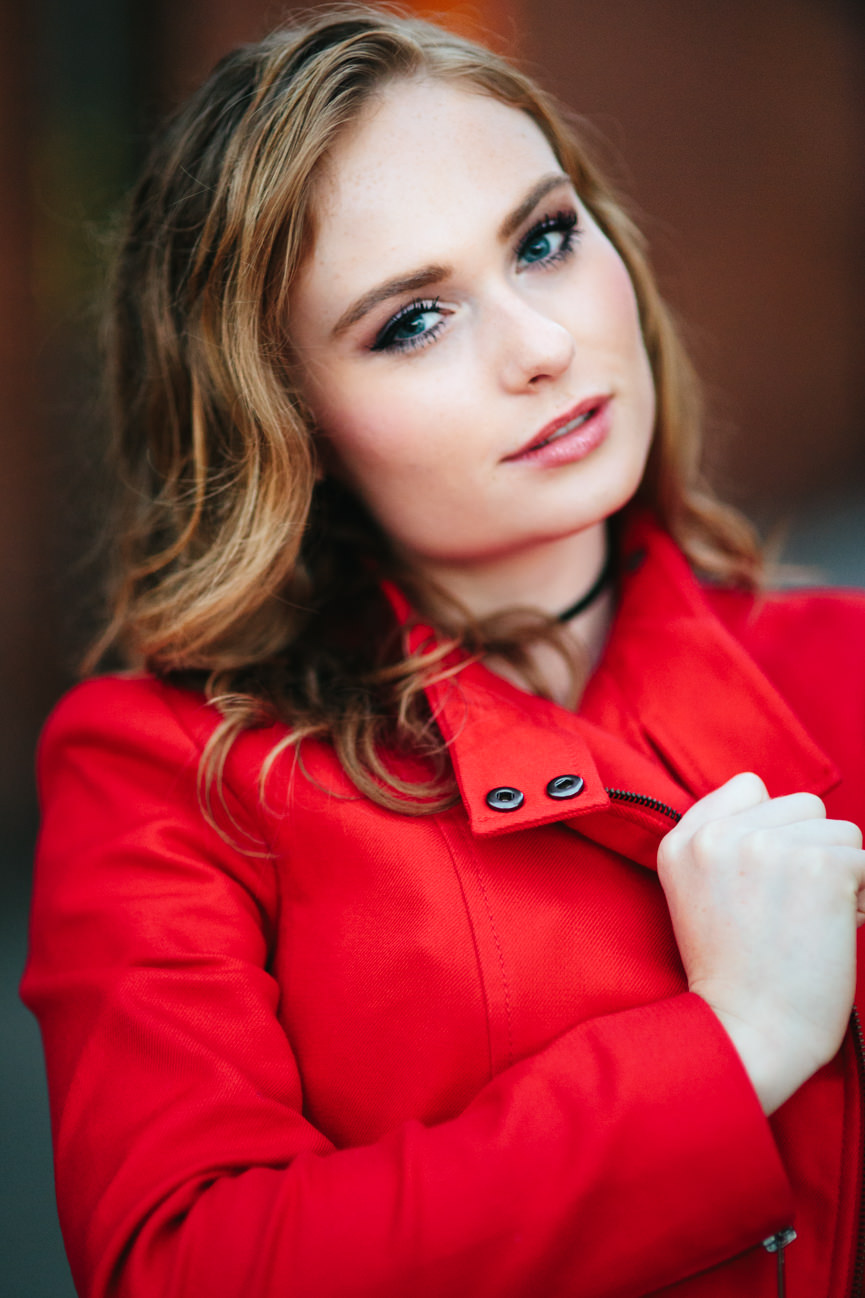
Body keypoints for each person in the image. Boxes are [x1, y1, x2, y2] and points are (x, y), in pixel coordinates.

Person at [21, 6, 865, 1296]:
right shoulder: (168, 774)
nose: (543, 347)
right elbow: (186, 1265)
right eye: (410, 321)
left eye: (543, 239)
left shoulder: (843, 667)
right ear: (286, 421)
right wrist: (734, 1043)